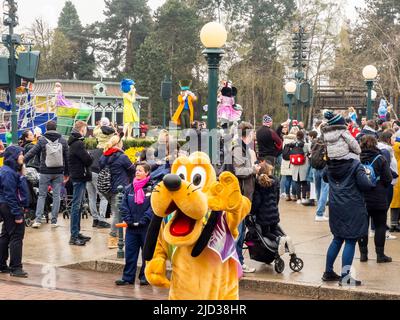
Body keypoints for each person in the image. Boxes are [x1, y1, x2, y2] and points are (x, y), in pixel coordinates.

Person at [322, 155, 374, 286]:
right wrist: (369, 175)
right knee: (350, 240)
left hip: (336, 205)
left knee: (337, 238)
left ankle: (328, 272)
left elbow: (325, 178)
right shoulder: (355, 165)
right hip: (352, 206)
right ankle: (345, 277)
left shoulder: (330, 164)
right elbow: (366, 185)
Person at [24, 121, 69, 228]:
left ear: (46, 128)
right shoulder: (63, 140)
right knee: (57, 196)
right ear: (56, 128)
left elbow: (32, 153)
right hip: (58, 172)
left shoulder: (42, 140)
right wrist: (67, 173)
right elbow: (67, 158)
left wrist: (21, 160)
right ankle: (54, 221)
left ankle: (38, 220)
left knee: (42, 195)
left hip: (45, 172)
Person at [115, 163, 153, 287]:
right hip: (131, 227)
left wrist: (144, 219)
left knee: (146, 254)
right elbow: (124, 206)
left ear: (147, 173)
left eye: (140, 170)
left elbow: (153, 206)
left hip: (145, 227)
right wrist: (129, 220)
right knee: (130, 253)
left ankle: (145, 276)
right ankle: (127, 277)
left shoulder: (152, 189)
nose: (137, 172)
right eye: (136, 170)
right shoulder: (129, 188)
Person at [358, 135, 393, 263]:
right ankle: (380, 255)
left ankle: (363, 255)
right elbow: (388, 178)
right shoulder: (380, 158)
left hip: (362, 197)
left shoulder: (358, 158)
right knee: (379, 226)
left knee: (362, 227)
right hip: (378, 197)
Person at [233, 122, 260, 274]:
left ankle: (237, 262)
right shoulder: (238, 149)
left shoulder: (243, 148)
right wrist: (253, 170)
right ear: (248, 134)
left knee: (240, 231)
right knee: (238, 231)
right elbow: (239, 170)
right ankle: (238, 263)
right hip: (240, 196)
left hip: (244, 195)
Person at [99, 135, 135, 249]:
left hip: (106, 188)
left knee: (117, 212)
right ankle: (113, 238)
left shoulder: (104, 155)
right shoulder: (122, 156)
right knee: (117, 214)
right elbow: (132, 169)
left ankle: (118, 235)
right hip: (119, 188)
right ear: (119, 144)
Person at [0, 146, 29, 278]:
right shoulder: (9, 173)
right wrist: (17, 213)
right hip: (10, 206)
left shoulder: (9, 171)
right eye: (20, 154)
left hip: (7, 206)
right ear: (14, 156)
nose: (22, 156)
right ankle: (16, 267)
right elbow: (10, 195)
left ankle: (2, 264)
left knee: (6, 234)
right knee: (17, 235)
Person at [250, 162, 288, 256]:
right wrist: (274, 206)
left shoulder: (259, 184)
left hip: (264, 215)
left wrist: (252, 211)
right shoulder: (274, 182)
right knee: (274, 229)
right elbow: (277, 198)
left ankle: (278, 239)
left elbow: (257, 202)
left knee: (266, 232)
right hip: (274, 212)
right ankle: (285, 239)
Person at [68, 121, 93, 246]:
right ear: (81, 129)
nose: (86, 131)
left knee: (78, 206)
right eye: (86, 129)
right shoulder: (78, 144)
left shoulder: (74, 142)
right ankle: (73, 236)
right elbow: (88, 160)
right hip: (79, 176)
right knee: (76, 207)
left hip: (77, 176)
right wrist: (89, 155)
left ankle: (76, 232)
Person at [87, 144, 111, 229]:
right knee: (104, 196)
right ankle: (102, 220)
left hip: (88, 173)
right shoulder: (105, 152)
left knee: (91, 197)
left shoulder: (92, 151)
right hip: (97, 173)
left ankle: (95, 219)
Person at [290, 131, 310, 205]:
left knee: (297, 183)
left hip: (295, 165)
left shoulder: (293, 144)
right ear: (303, 136)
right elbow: (310, 152)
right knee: (304, 182)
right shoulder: (306, 144)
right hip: (304, 165)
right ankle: (304, 198)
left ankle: (298, 198)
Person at [281, 126, 299, 201]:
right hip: (294, 161)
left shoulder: (285, 140)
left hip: (286, 162)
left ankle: (287, 195)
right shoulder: (296, 140)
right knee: (294, 179)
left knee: (288, 179)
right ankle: (294, 195)